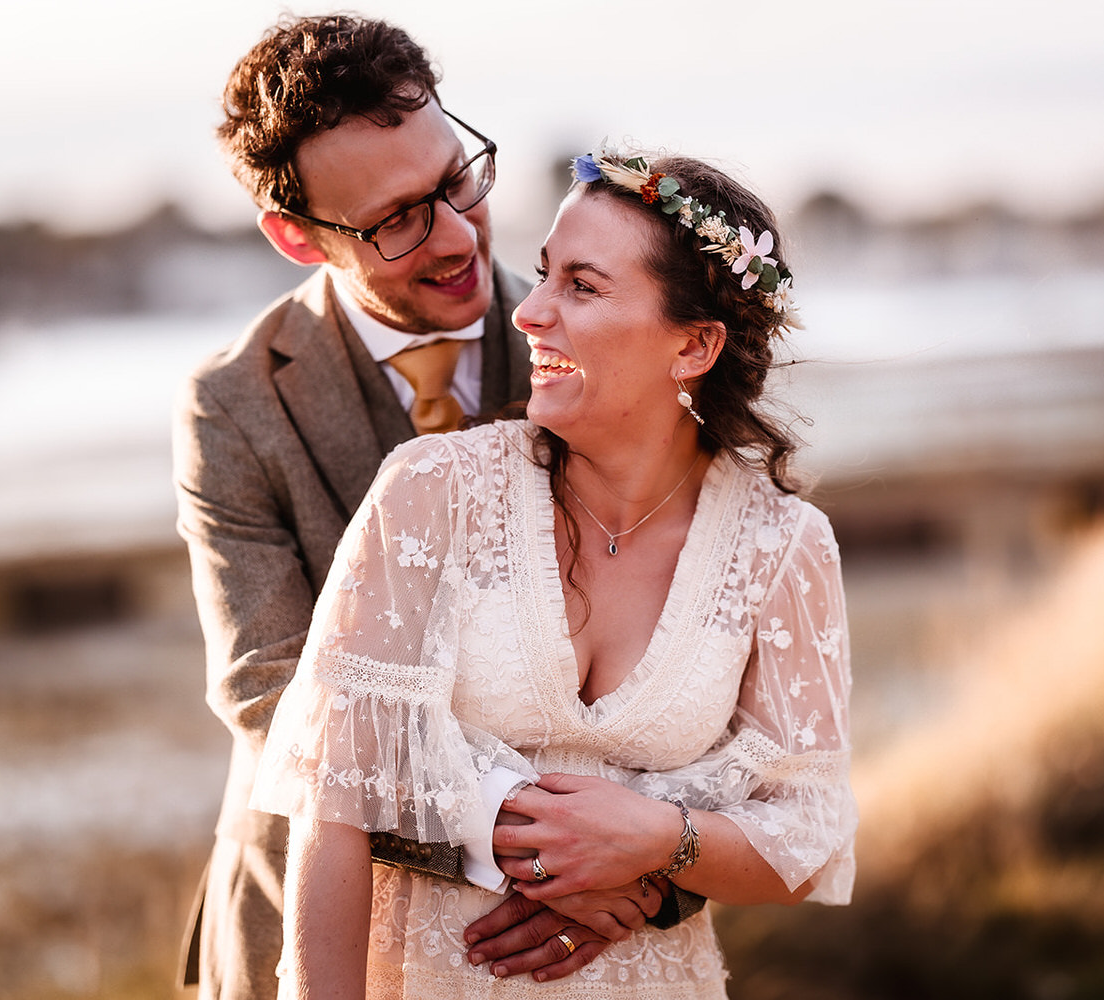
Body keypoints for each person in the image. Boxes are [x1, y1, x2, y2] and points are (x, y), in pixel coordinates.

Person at [250, 145, 858, 997]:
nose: (529, 312)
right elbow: (332, 805)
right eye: (541, 276)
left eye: (581, 285)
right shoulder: (434, 491)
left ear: (694, 346)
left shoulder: (783, 547)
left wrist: (662, 843)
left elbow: (810, 837)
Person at [172, 14, 630, 998]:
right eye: (396, 220)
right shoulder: (233, 404)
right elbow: (271, 689)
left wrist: (640, 852)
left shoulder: (599, 342)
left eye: (458, 180)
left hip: (573, 940)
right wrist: (517, 824)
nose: (458, 235)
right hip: (320, 931)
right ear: (297, 235)